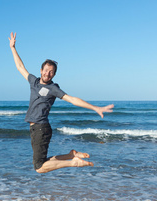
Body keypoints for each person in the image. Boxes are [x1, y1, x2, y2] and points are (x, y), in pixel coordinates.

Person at [9, 32, 114, 173]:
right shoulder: (33, 82)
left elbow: (71, 99)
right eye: (46, 70)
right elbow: (20, 67)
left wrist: (95, 108)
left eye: (51, 72)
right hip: (35, 129)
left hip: (41, 128)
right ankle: (71, 155)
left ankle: (73, 162)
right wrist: (13, 48)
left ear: (54, 74)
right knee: (44, 162)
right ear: (41, 70)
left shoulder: (53, 88)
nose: (47, 73)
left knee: (39, 168)